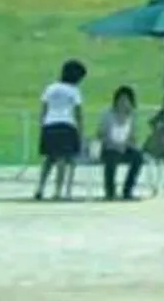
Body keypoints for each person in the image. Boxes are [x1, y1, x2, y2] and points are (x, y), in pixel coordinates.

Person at [36, 61, 87, 201]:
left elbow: (44, 109)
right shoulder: (74, 91)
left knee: (49, 158)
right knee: (62, 160)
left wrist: (42, 126)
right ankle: (58, 191)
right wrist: (81, 132)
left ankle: (40, 187)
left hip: (49, 125)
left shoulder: (50, 88)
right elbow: (78, 114)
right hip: (66, 125)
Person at [98, 86, 145, 201]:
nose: (123, 103)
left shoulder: (132, 116)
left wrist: (127, 144)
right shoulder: (108, 114)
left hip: (125, 147)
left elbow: (133, 136)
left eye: (126, 100)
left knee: (138, 157)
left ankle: (127, 190)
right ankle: (110, 192)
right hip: (109, 147)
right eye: (121, 100)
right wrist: (113, 144)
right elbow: (101, 134)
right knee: (111, 158)